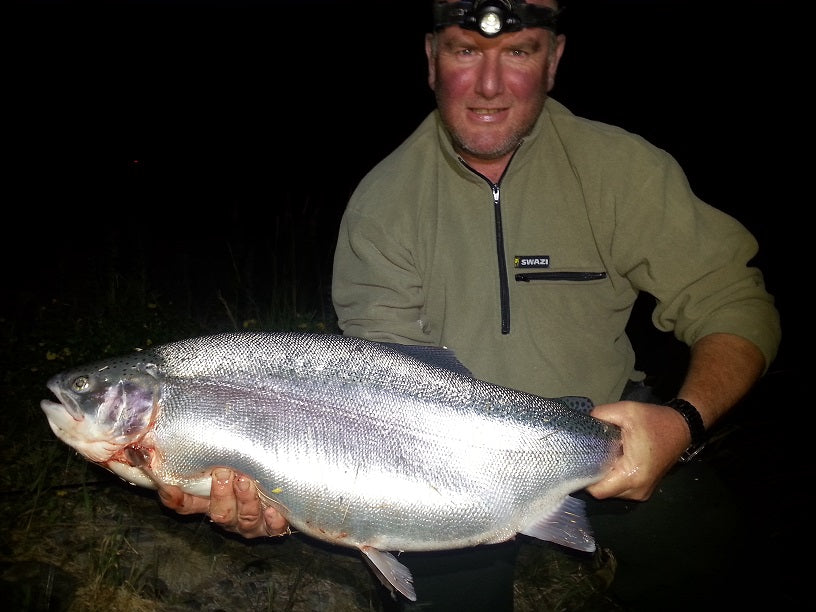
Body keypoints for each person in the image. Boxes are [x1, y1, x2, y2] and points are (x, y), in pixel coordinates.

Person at [159, 1, 781, 610]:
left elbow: (733, 302)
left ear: (554, 59)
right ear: (431, 59)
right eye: (464, 50)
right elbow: (375, 383)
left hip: (612, 429)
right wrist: (288, 498)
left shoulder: (623, 170)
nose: (488, 86)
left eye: (517, 52)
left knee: (724, 564)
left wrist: (682, 422)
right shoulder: (384, 205)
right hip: (433, 465)